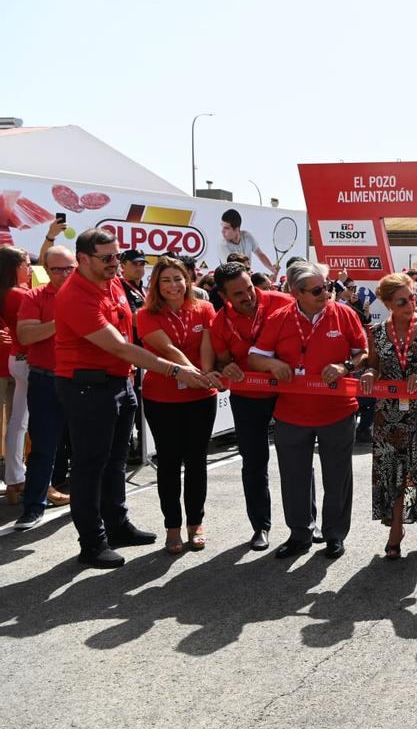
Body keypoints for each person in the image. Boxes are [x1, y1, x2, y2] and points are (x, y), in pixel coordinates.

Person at [55, 229, 213, 568]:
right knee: (89, 466)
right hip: (87, 388)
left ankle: (117, 526)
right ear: (83, 259)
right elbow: (120, 346)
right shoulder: (75, 296)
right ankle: (92, 542)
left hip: (118, 382)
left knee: (115, 460)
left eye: (117, 255)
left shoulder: (110, 281)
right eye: (107, 257)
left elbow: (126, 341)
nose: (116, 263)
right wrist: (175, 370)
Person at [249, 261, 367, 560]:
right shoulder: (279, 318)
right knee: (294, 477)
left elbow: (363, 352)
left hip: (337, 411)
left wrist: (345, 367)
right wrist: (272, 364)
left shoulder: (344, 314)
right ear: (296, 292)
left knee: (338, 477)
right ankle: (300, 533)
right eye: (317, 290)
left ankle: (334, 535)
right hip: (291, 414)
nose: (325, 293)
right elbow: (255, 358)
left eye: (327, 287)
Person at [136, 257, 220, 554]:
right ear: (156, 285)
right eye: (166, 280)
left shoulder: (205, 309)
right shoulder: (145, 314)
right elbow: (167, 349)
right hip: (162, 399)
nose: (173, 285)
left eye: (178, 278)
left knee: (197, 461)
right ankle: (172, 527)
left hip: (201, 397)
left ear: (188, 280)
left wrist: (206, 374)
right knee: (169, 463)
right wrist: (196, 375)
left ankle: (195, 523)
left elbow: (207, 345)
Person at [209, 262, 294, 550]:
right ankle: (260, 526)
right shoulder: (220, 323)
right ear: (223, 296)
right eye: (239, 294)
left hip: (288, 393)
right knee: (254, 463)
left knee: (296, 460)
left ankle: (306, 522)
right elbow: (221, 361)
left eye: (250, 288)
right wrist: (228, 367)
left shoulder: (283, 303)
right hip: (247, 399)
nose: (249, 296)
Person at [360, 273, 417, 560]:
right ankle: (395, 529)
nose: (410, 305)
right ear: (386, 304)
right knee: (392, 468)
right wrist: (370, 372)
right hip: (389, 411)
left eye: (412, 298)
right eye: (401, 301)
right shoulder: (377, 331)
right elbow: (373, 364)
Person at [11, 246, 75, 529]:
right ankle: (34, 507)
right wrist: (59, 322)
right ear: (46, 271)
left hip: (85, 382)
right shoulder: (34, 296)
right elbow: (26, 334)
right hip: (45, 380)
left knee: (89, 448)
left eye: (69, 268)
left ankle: (90, 501)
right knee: (43, 448)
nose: (64, 274)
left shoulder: (94, 295)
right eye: (57, 269)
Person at [0, 246, 31, 505]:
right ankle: (18, 479)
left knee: (18, 423)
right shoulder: (19, 294)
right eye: (26, 263)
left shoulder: (9, 293)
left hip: (15, 360)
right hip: (27, 361)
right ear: (15, 268)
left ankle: (14, 480)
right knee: (23, 424)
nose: (30, 267)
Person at [220, 208, 279, 275]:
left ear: (237, 229)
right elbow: (235, 271)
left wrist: (272, 269)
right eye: (222, 227)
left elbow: (260, 254)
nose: (222, 231)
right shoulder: (222, 245)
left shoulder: (247, 236)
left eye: (226, 228)